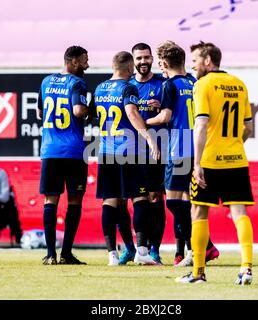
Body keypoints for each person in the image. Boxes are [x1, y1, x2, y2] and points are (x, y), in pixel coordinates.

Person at [176, 41, 255, 284]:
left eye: (196, 60)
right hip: (236, 160)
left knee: (198, 211)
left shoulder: (202, 84)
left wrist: (197, 163)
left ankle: (198, 273)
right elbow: (248, 128)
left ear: (208, 60)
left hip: (209, 161)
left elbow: (200, 124)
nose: (193, 65)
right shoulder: (239, 84)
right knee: (239, 212)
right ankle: (246, 268)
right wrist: (231, 144)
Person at [146, 41, 219, 267]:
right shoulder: (194, 82)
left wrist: (143, 123)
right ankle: (195, 248)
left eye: (160, 63)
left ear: (166, 63)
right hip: (197, 150)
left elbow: (165, 118)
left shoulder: (170, 84)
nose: (160, 67)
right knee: (189, 201)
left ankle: (203, 246)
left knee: (173, 202)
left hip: (178, 150)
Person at [94, 51, 160, 266]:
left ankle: (112, 254)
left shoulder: (100, 88)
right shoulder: (128, 87)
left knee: (110, 200)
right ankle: (142, 251)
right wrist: (149, 138)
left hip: (105, 151)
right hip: (128, 150)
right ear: (129, 66)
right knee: (140, 198)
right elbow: (131, 113)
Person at [38, 46, 90, 265]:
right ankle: (66, 253)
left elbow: (40, 112)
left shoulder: (46, 81)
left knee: (51, 200)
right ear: (75, 62)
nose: (88, 64)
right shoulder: (78, 83)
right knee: (74, 200)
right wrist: (92, 108)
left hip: (50, 149)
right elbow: (79, 111)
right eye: (85, 61)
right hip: (74, 151)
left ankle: (50, 254)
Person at [116, 43, 166, 265]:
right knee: (126, 200)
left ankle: (153, 249)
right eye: (139, 58)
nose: (143, 62)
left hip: (156, 149)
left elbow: (174, 114)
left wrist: (163, 107)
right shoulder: (126, 86)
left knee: (155, 198)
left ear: (152, 59)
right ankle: (131, 247)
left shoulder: (162, 85)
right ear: (133, 61)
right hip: (129, 151)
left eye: (146, 57)